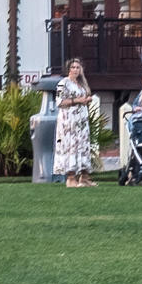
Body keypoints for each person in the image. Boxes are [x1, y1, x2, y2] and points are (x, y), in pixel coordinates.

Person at [53, 58, 97, 187]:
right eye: (73, 67)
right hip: (69, 121)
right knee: (71, 145)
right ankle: (71, 177)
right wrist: (77, 100)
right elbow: (60, 102)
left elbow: (83, 97)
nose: (76, 70)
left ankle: (84, 177)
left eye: (78, 67)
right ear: (68, 69)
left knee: (83, 146)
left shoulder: (81, 84)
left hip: (81, 120)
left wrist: (86, 100)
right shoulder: (63, 83)